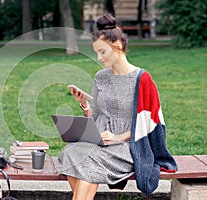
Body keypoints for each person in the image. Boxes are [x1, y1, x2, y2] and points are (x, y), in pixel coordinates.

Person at [58, 13, 178, 200]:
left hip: (128, 146)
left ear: (118, 46)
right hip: (100, 143)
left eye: (103, 52)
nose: (99, 57)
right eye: (96, 52)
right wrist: (84, 104)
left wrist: (117, 137)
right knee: (71, 152)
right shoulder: (101, 77)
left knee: (87, 161)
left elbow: (150, 126)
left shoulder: (142, 79)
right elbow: (96, 116)